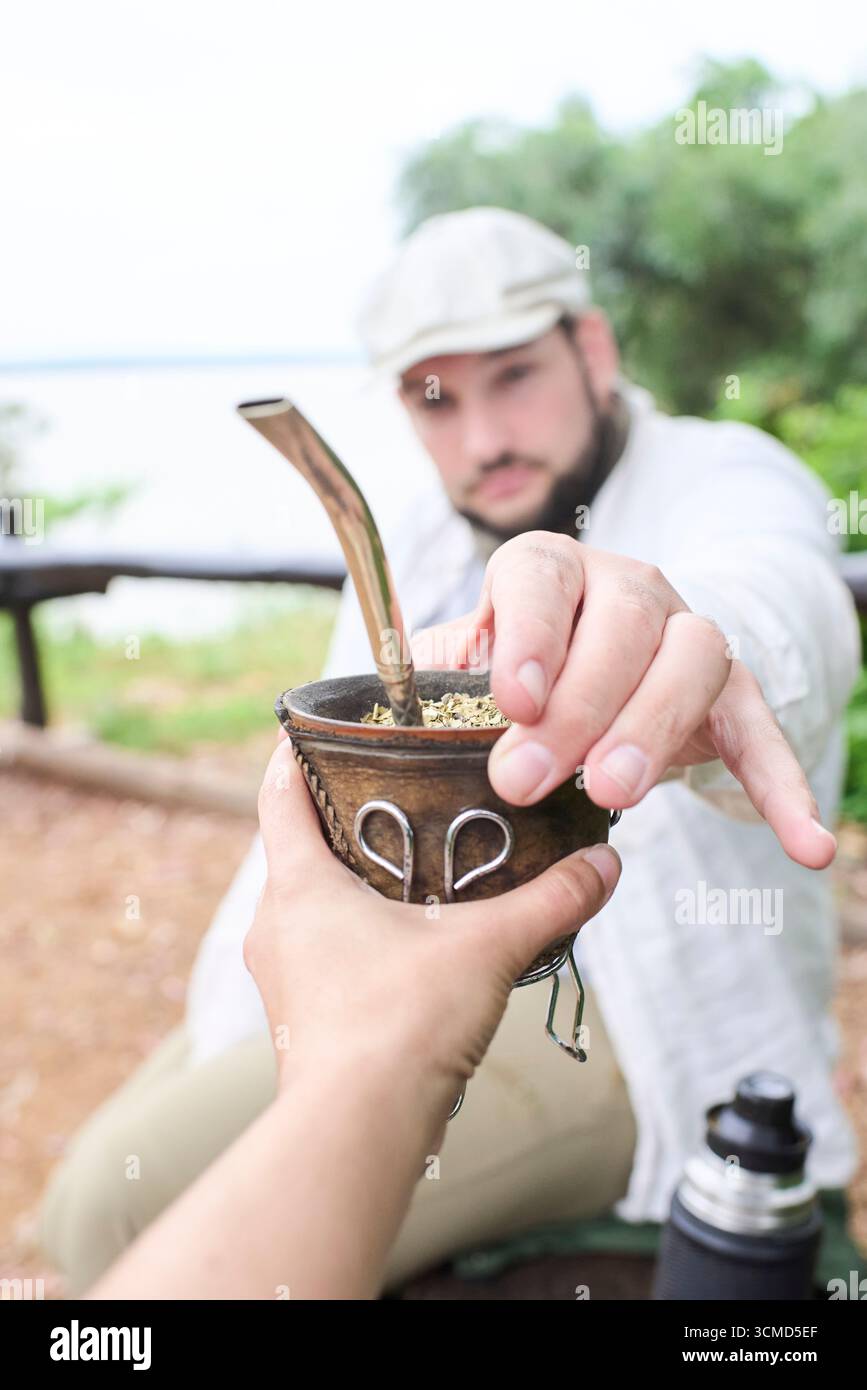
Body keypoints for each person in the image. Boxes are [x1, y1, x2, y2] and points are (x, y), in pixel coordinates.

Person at [41, 207, 859, 1296]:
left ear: (594, 350)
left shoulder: (721, 475)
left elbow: (776, 599)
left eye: (514, 376)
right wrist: (258, 1014)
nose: (482, 439)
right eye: (437, 396)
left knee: (116, 1198)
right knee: (95, 1174)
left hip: (636, 1019)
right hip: (408, 947)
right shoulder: (419, 542)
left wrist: (696, 645)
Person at [87, 739, 622, 1299]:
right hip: (383, 936)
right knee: (90, 1191)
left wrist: (380, 1069)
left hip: (636, 1001)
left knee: (112, 1202)